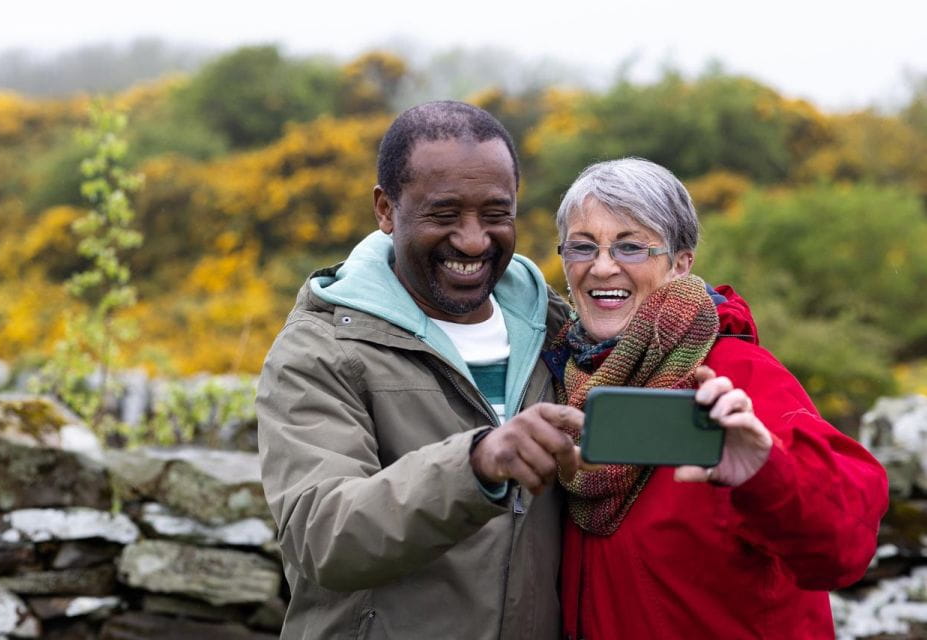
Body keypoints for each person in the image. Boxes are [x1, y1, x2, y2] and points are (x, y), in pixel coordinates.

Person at [256, 101, 584, 640]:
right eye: (444, 214)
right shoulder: (319, 351)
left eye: (497, 214)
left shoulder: (558, 330)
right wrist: (475, 464)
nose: (474, 240)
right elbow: (325, 536)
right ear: (386, 209)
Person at [543, 158, 888, 639]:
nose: (602, 266)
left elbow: (844, 546)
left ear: (681, 264)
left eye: (631, 246)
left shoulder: (738, 377)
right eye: (583, 247)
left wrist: (767, 472)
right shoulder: (559, 379)